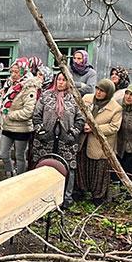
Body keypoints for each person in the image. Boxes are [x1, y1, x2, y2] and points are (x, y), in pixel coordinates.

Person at [32, 72, 85, 205]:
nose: (61, 82)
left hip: (67, 139)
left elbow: (80, 118)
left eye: (64, 80)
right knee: (44, 166)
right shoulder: (46, 95)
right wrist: (41, 130)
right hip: (45, 139)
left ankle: (66, 198)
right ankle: (42, 197)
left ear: (69, 82)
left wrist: (73, 133)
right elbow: (36, 115)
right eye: (59, 79)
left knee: (68, 168)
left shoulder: (75, 97)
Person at [76, 79, 122, 204]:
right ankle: (81, 191)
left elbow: (114, 127)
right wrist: (82, 124)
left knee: (99, 170)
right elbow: (78, 113)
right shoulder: (87, 98)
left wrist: (94, 128)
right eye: (97, 89)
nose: (98, 92)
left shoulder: (115, 108)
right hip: (83, 140)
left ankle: (98, 196)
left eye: (102, 91)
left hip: (99, 144)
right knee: (82, 165)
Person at [0, 59, 40, 177]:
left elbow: (28, 111)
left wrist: (10, 114)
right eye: (12, 72)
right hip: (7, 126)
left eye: (17, 72)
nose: (13, 75)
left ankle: (20, 178)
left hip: (22, 128)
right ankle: (10, 173)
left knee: (19, 156)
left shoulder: (29, 87)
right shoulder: (10, 85)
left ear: (23, 72)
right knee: (3, 153)